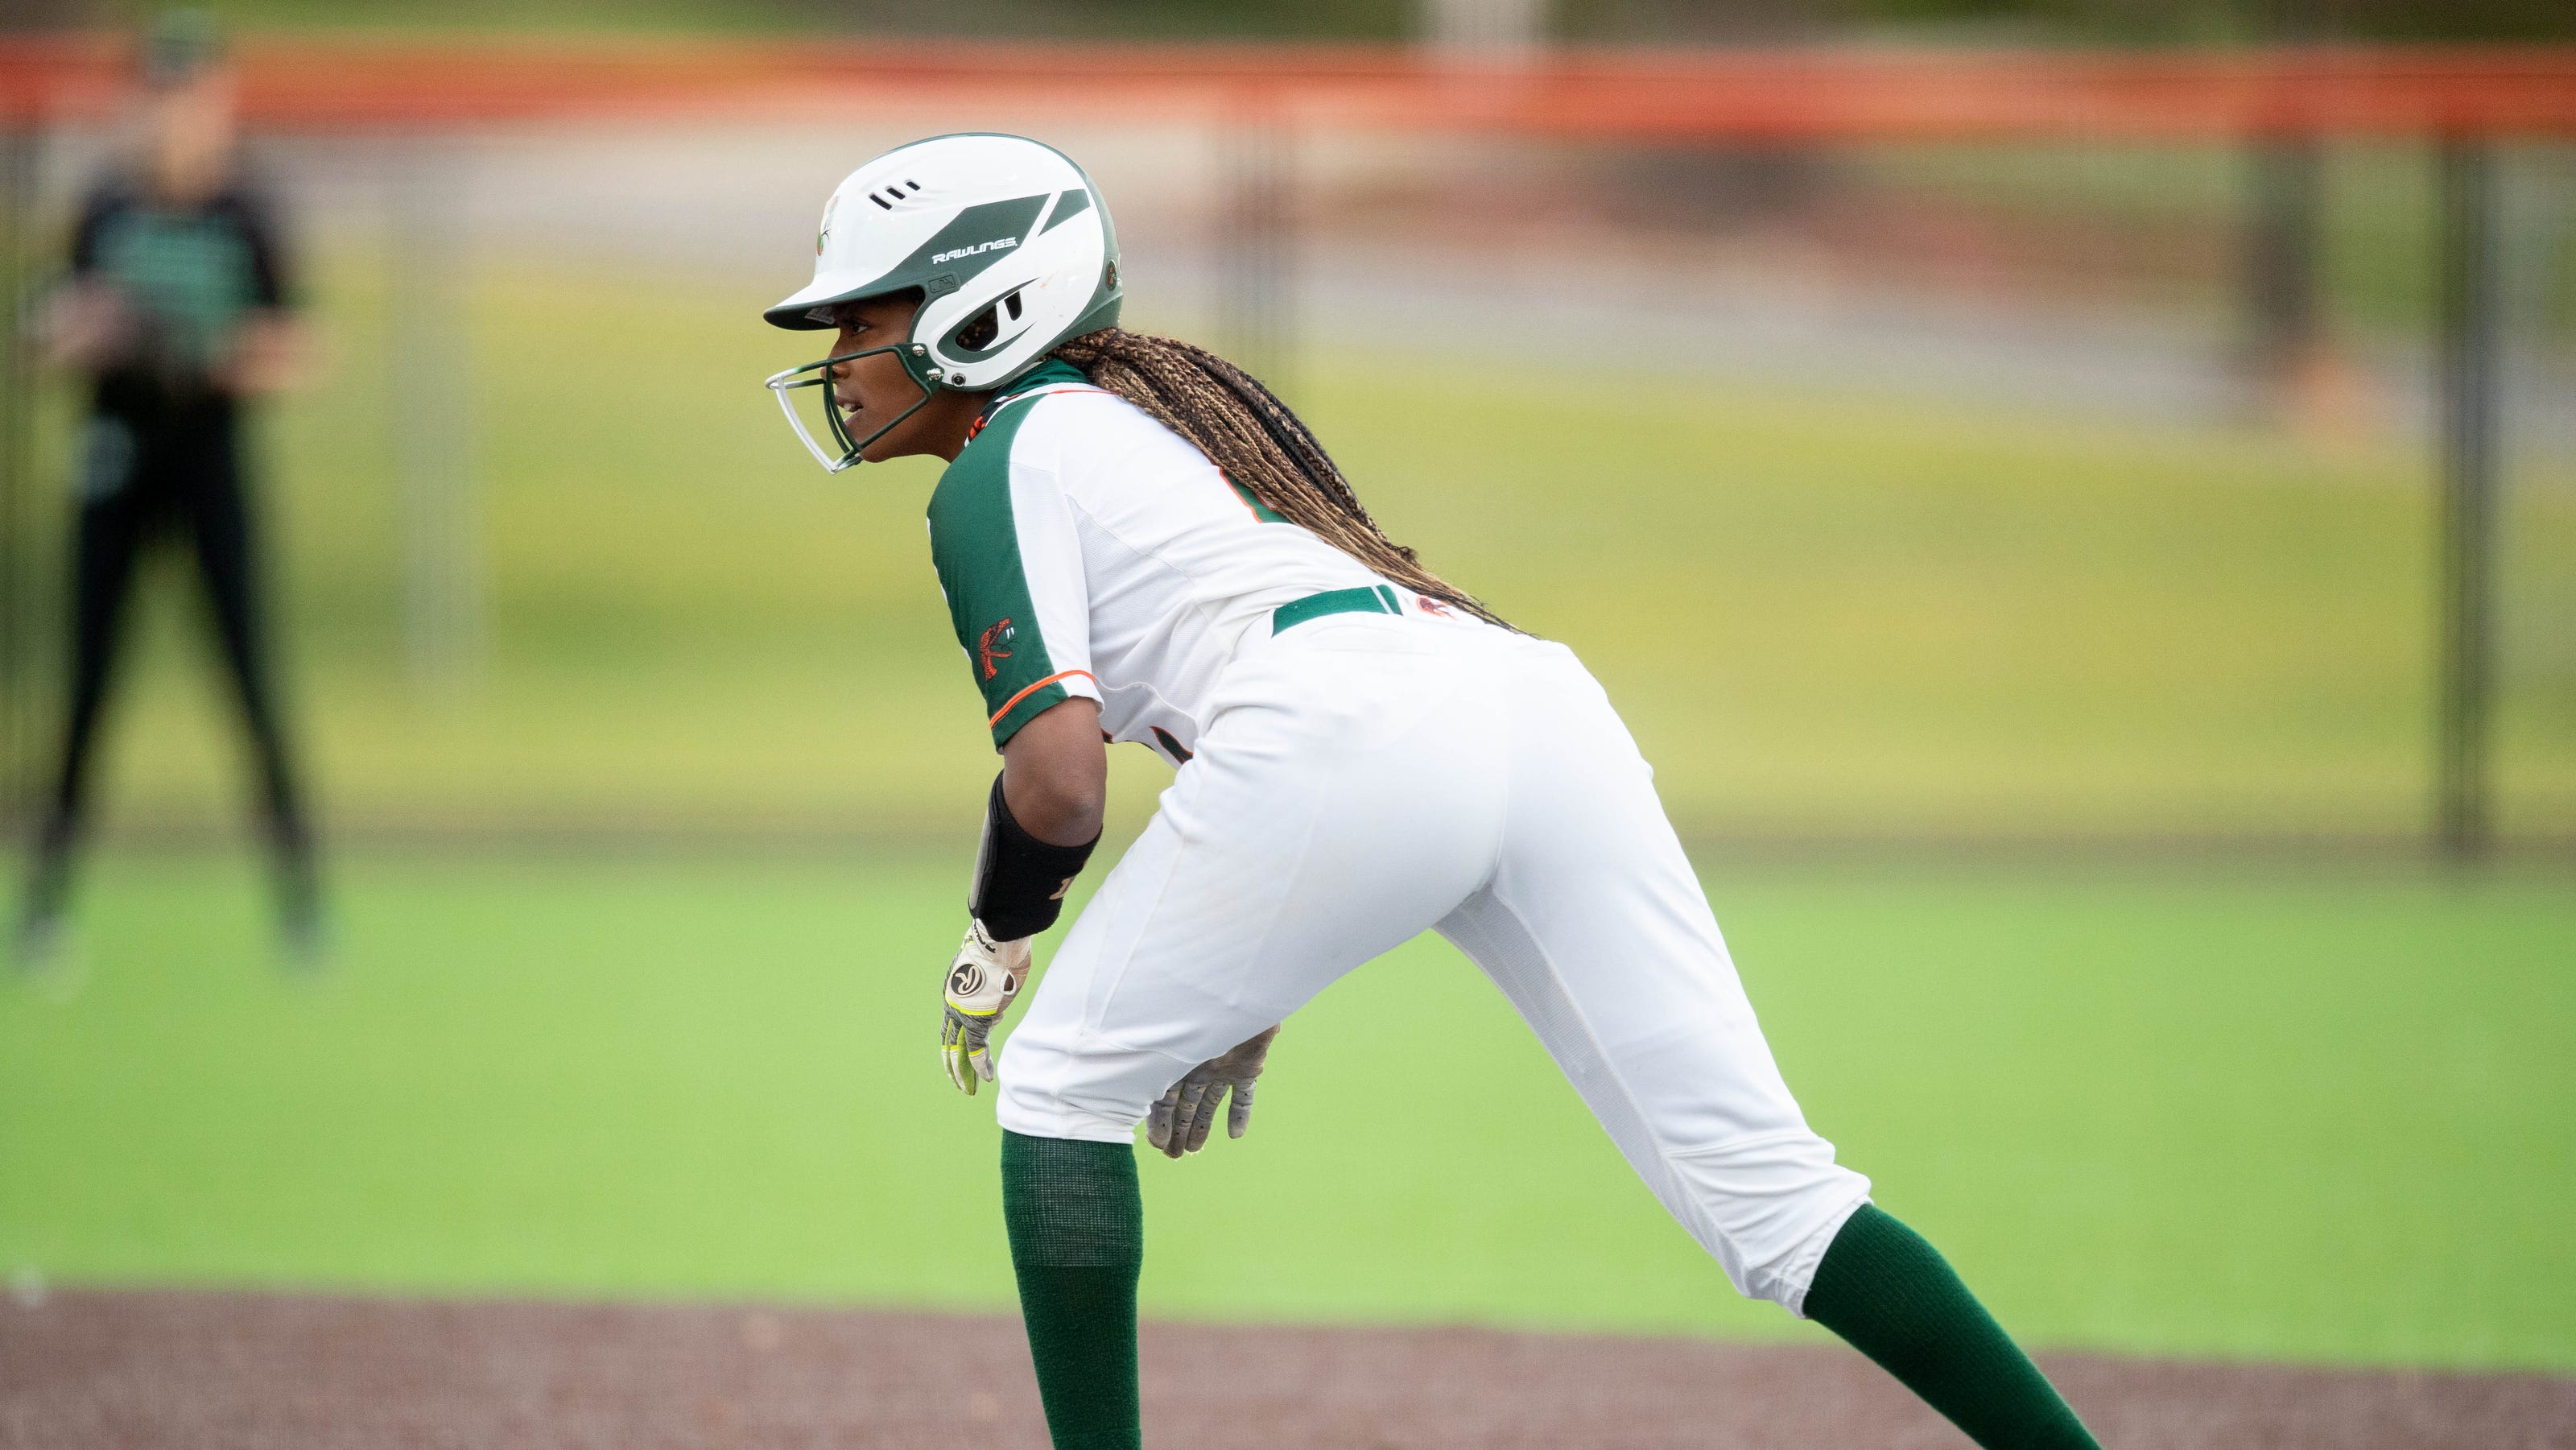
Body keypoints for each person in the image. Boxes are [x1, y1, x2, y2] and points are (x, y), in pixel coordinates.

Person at [762, 133, 2101, 1450]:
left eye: (864, 315)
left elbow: (1059, 784)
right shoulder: (1161, 424)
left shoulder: (1003, 462)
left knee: (1058, 1087)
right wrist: (1247, 958)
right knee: (1780, 1205)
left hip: (1345, 724)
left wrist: (999, 936)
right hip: (1525, 698)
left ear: (986, 306)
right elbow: (1286, 693)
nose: (839, 358)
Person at [14, 11, 321, 969]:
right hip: (114, 463)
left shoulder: (246, 212)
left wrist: (215, 352)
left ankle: (301, 907)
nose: (176, 116)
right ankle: (46, 908)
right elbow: (43, 332)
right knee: (87, 691)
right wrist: (89, 330)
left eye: (194, 97)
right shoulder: (107, 209)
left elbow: (298, 346)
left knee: (249, 681)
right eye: (161, 97)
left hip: (209, 466)